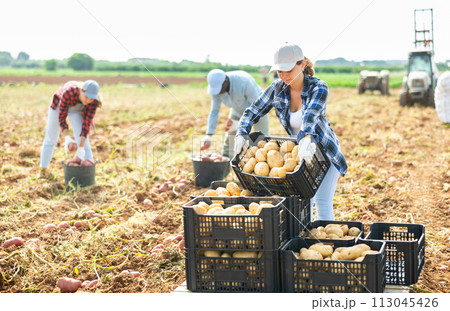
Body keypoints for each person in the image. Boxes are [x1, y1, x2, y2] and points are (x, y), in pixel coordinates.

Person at [234, 43, 347, 221]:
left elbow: (311, 116)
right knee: (303, 203)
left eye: (288, 70)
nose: (283, 75)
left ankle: (327, 243)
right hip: (298, 154)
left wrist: (306, 137)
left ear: (302, 65)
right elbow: (253, 111)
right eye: (279, 71)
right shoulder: (276, 89)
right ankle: (306, 245)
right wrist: (241, 132)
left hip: (324, 152)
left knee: (322, 203)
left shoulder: (318, 87)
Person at [200, 69, 269, 160]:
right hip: (236, 110)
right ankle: (225, 167)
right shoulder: (216, 89)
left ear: (225, 82)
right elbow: (214, 112)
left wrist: (241, 124)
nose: (218, 93)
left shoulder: (244, 82)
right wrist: (209, 135)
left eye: (219, 89)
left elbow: (257, 107)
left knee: (262, 142)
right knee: (230, 141)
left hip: (259, 111)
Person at [39, 80, 101, 177]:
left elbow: (86, 125)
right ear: (81, 90)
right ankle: (43, 170)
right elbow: (62, 118)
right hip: (60, 105)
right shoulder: (69, 92)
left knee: (85, 143)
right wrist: (67, 138)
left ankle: (89, 175)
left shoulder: (93, 102)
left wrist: (80, 148)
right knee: (51, 138)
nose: (88, 100)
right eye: (87, 97)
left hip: (77, 109)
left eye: (91, 98)